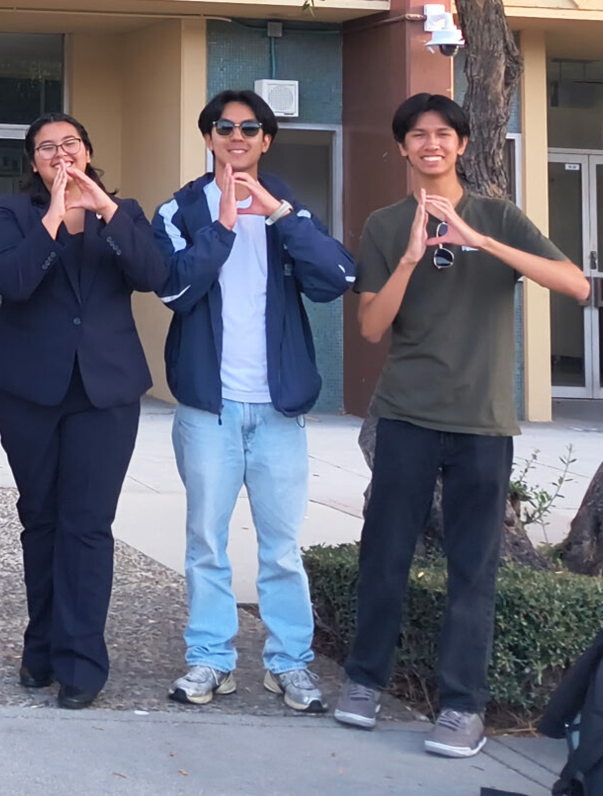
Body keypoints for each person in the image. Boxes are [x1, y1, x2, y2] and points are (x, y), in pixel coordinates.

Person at [333, 93, 589, 758]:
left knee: (472, 570)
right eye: (417, 135)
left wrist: (479, 241)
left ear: (463, 145)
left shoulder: (499, 216)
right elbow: (369, 327)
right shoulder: (386, 225)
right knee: (384, 557)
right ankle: (364, 683)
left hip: (481, 423)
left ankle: (461, 708)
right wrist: (416, 254)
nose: (430, 145)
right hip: (407, 417)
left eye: (443, 134)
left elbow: (576, 285)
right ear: (402, 148)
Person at [152, 90, 355, 712]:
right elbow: (173, 290)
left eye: (250, 127)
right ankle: (211, 661)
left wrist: (281, 218)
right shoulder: (181, 209)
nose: (236, 135)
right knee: (206, 543)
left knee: (280, 546)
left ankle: (289, 663)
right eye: (224, 126)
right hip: (208, 409)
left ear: (266, 139)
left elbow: (337, 280)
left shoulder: (287, 207)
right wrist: (224, 224)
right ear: (209, 137)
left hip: (277, 411)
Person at [0, 112, 169, 710]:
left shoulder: (128, 212)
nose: (60, 154)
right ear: (33, 162)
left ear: (88, 151)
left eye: (70, 144)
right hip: (29, 390)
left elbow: (153, 274)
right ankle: (41, 648)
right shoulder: (12, 214)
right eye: (46, 148)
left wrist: (104, 212)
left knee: (86, 524)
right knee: (40, 519)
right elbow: (10, 281)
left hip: (104, 392)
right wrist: (54, 219)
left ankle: (82, 659)